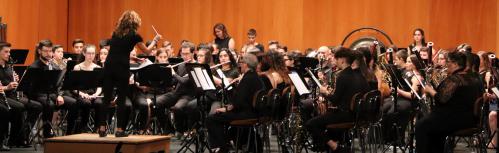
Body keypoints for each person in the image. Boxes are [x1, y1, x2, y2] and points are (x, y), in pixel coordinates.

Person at [99, 10, 161, 137]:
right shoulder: (135, 36)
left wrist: (135, 59)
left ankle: (102, 128)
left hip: (109, 66)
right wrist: (155, 40)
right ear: (135, 22)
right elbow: (147, 51)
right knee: (121, 99)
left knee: (106, 98)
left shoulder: (115, 33)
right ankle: (120, 130)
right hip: (122, 67)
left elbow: (118, 50)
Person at [417, 51, 483, 153]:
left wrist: (430, 90)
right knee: (433, 126)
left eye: (448, 62)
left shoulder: (455, 79)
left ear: (456, 64)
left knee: (422, 125)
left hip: (456, 119)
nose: (446, 65)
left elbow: (441, 99)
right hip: (470, 119)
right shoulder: (473, 78)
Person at [306, 47, 369, 152]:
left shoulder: (343, 76)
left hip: (345, 115)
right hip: (358, 114)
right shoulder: (359, 75)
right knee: (323, 120)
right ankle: (332, 144)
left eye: (336, 59)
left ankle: (335, 146)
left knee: (311, 124)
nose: (334, 61)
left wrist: (324, 92)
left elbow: (335, 100)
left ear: (342, 60)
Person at [206, 53, 264, 153]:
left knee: (212, 118)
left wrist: (226, 108)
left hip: (246, 113)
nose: (239, 65)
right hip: (255, 112)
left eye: (241, 63)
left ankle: (222, 147)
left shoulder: (247, 79)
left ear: (246, 64)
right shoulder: (256, 77)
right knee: (220, 116)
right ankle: (228, 143)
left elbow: (238, 101)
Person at [0, 42, 30, 150]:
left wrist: (15, 80)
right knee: (8, 109)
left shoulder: (9, 66)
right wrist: (6, 87)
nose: (9, 54)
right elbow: (3, 87)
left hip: (9, 95)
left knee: (28, 105)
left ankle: (18, 138)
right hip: (2, 96)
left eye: (9, 52)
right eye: (6, 52)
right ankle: (4, 140)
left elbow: (11, 84)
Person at [72, 44, 103, 134]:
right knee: (86, 103)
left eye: (93, 53)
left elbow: (99, 86)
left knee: (99, 103)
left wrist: (96, 94)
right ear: (84, 53)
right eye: (89, 53)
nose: (91, 56)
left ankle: (96, 128)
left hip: (93, 94)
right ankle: (83, 127)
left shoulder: (98, 68)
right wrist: (83, 94)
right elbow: (73, 87)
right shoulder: (78, 67)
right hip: (81, 94)